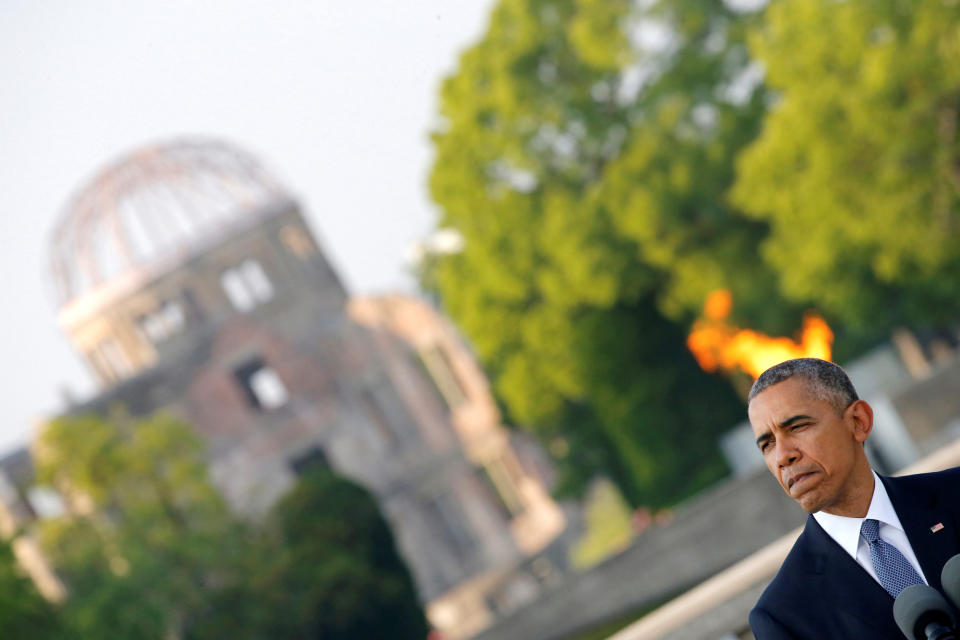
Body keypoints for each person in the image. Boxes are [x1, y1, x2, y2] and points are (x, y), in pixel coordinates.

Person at [747, 358, 960, 639]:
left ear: (859, 422)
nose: (783, 455)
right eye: (767, 444)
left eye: (797, 427)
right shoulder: (783, 613)